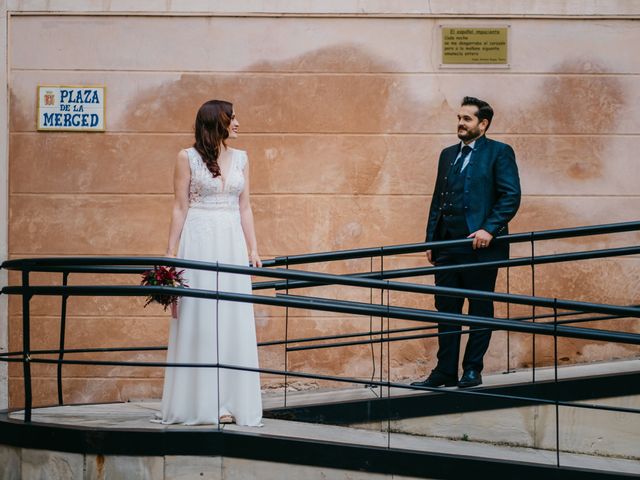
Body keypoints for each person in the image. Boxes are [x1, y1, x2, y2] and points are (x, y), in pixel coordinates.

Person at [157, 99, 263, 426]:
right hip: (199, 243)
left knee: (231, 317)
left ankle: (231, 400)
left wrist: (253, 249)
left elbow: (245, 207)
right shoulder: (186, 157)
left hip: (231, 243)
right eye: (233, 118)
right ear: (217, 122)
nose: (238, 124)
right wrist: (171, 254)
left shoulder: (242, 159)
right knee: (201, 319)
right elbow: (179, 206)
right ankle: (202, 403)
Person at [412, 96, 521, 389]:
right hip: (448, 247)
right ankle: (444, 372)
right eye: (459, 118)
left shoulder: (499, 152)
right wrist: (431, 240)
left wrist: (489, 229)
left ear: (483, 124)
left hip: (481, 247)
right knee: (447, 309)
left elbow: (510, 195)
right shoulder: (447, 154)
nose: (460, 123)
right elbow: (438, 200)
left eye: (467, 119)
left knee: (479, 308)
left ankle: (472, 370)